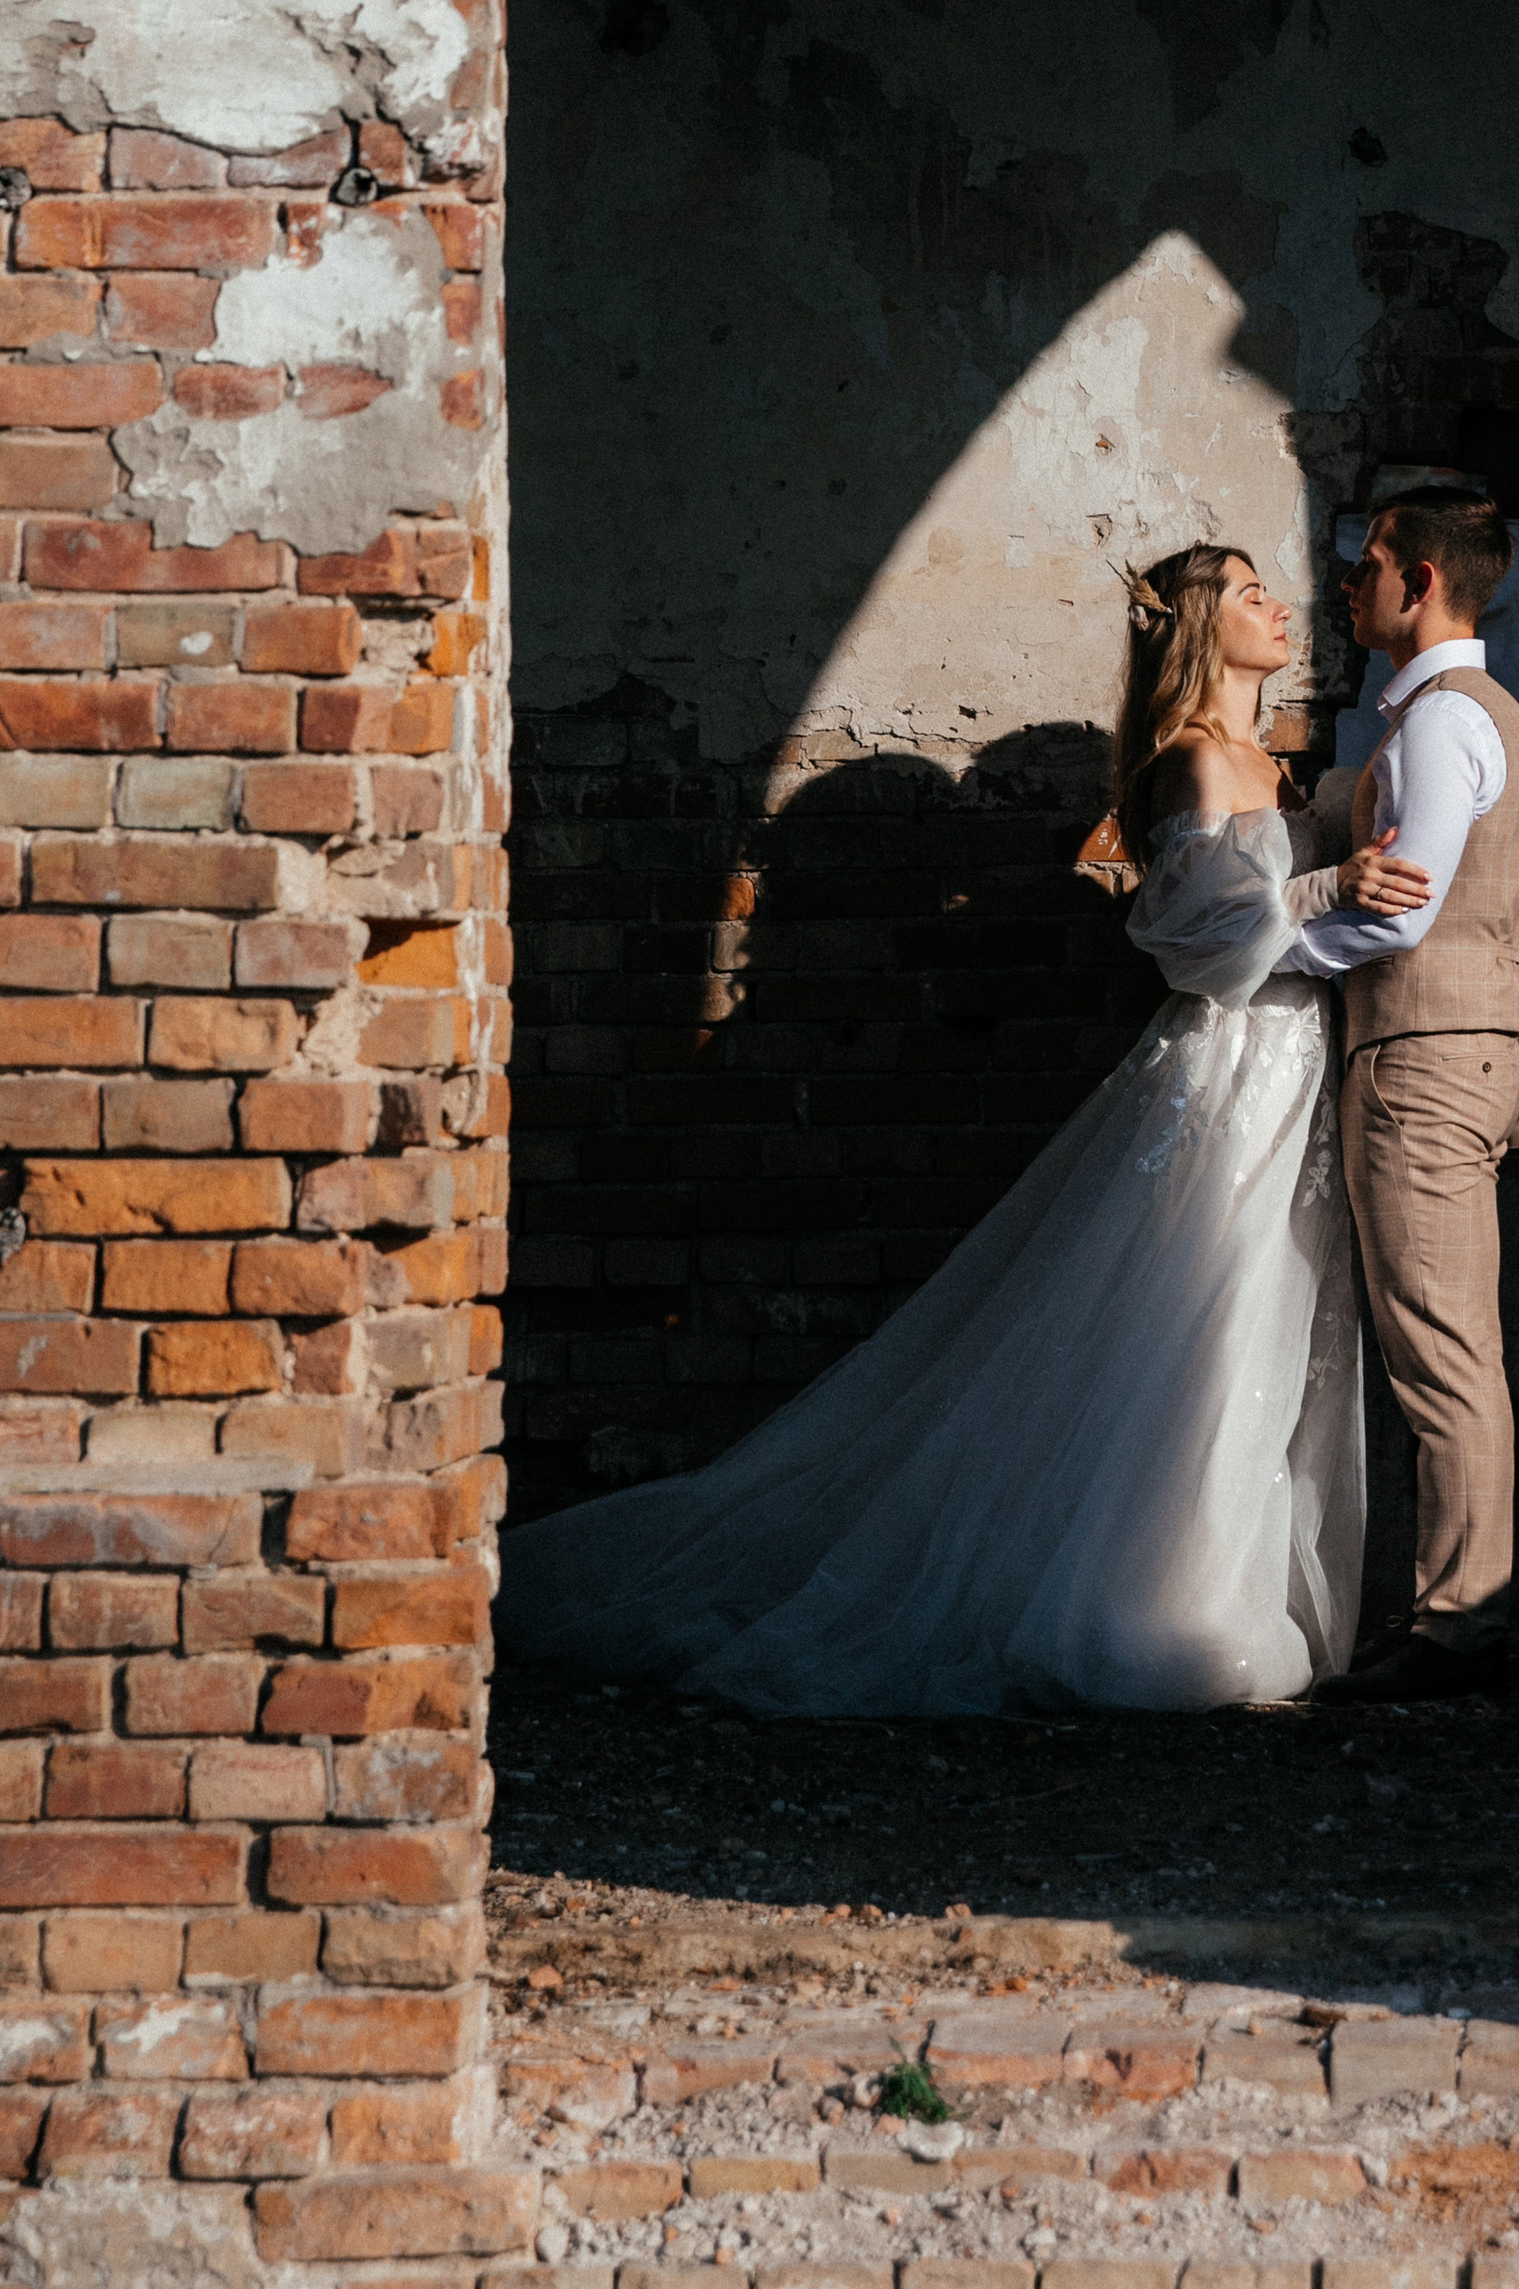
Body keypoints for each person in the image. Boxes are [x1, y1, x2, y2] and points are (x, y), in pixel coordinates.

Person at [495, 545, 1427, 1715]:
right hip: (1233, 1068)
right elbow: (1189, 936)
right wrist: (1328, 890)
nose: (1277, 605)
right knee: (1198, 1304)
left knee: (1264, 1308)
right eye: (1248, 593)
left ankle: (1199, 1585)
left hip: (1292, 1061)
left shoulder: (1263, 764)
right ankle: (1142, 1600)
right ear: (1197, 627)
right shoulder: (1192, 761)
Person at [1283, 490, 1519, 1705]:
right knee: (1446, 1345)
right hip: (1444, 1049)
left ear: (1424, 580)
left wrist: (1256, 956)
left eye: (1371, 563)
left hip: (1426, 1053)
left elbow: (1397, 910)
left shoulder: (1446, 723)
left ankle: (1458, 1631)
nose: (1352, 584)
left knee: (1442, 1351)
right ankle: (1453, 1619)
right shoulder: (1444, 718)